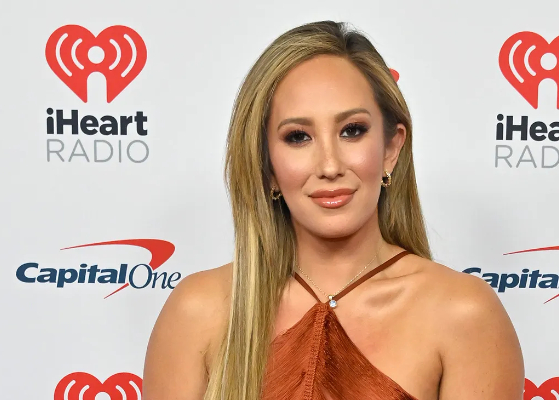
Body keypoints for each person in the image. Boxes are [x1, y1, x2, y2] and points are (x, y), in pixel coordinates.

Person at [142, 20, 524, 400]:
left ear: (391, 149)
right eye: (298, 137)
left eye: (352, 130)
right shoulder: (197, 311)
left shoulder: (464, 314)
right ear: (267, 166)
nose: (329, 165)